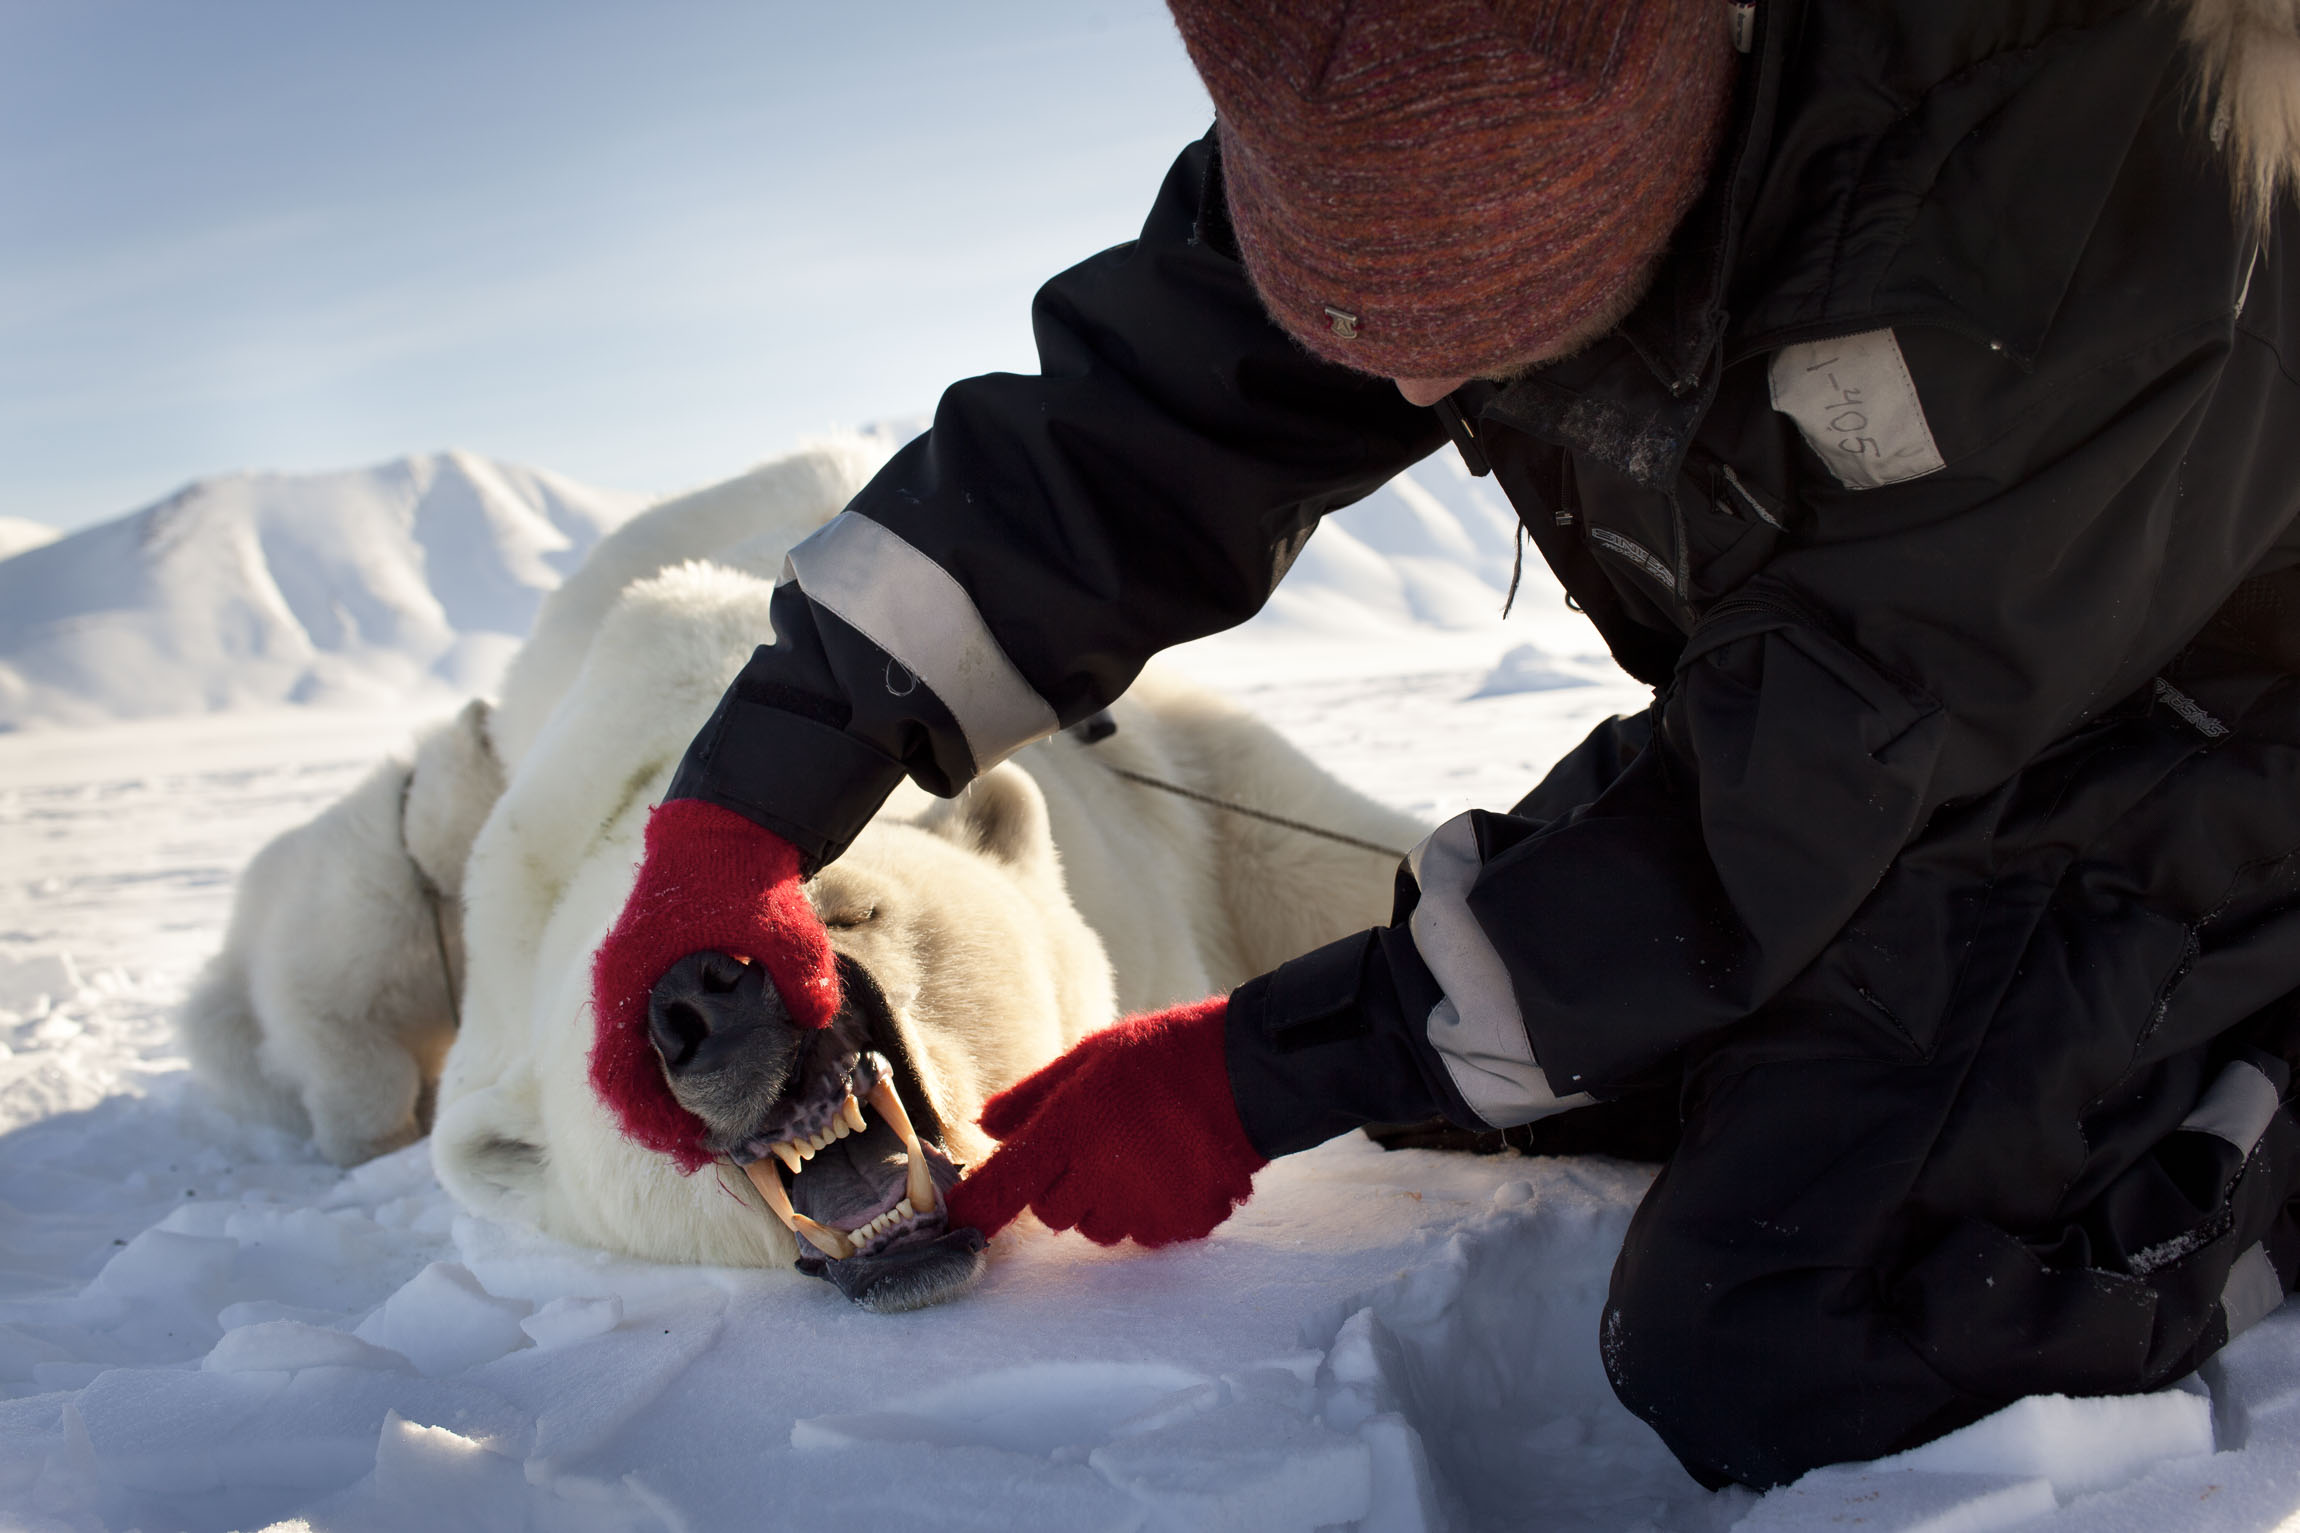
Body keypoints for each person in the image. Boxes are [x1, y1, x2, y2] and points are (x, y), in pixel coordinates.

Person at [585, 0, 2300, 1490]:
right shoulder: (1388, 69)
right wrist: (746, 807)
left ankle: (2255, 1165)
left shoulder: (2078, 146)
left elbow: (1790, 785)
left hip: (2210, 725)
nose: (1404, 399)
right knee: (1563, 1065)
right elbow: (1129, 441)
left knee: (1786, 1333)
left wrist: (1249, 1072)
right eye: (1354, 326)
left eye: (1472, 340)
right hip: (1914, 723)